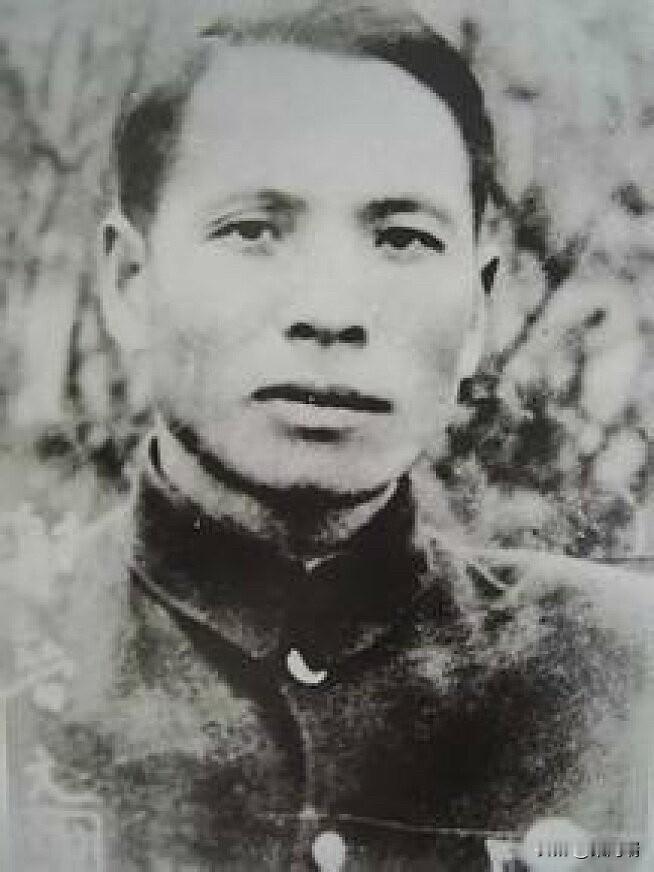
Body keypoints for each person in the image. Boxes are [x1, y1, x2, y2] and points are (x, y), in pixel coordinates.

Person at [14, 4, 652, 871]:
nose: (331, 311)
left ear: (478, 307)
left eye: (403, 238)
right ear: (130, 282)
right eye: (253, 231)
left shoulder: (623, 676)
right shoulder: (23, 661)